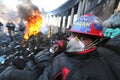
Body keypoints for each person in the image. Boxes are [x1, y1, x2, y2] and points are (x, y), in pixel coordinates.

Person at [38, 14, 116, 80]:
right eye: (74, 35)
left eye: (82, 38)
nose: (74, 40)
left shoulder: (98, 71)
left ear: (95, 41)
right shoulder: (68, 53)